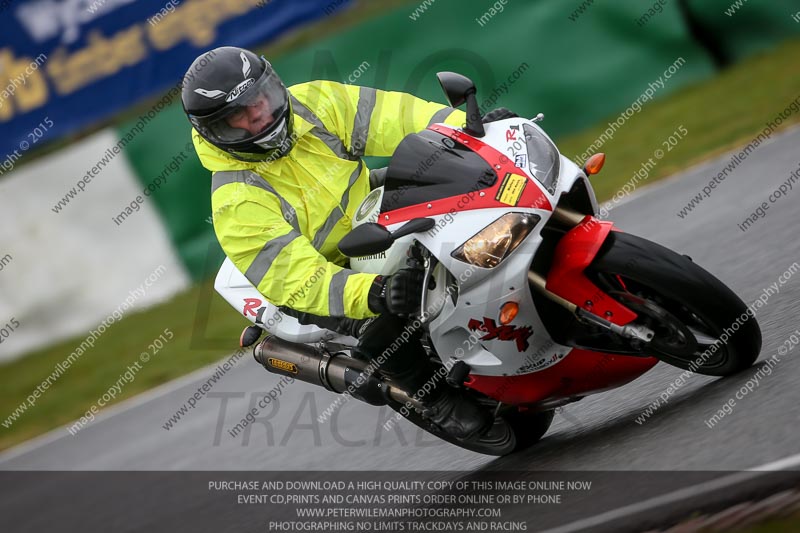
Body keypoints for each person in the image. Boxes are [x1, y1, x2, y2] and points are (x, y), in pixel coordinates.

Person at [181, 46, 492, 440]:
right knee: (381, 323)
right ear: (216, 131)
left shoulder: (315, 102)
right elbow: (297, 278)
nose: (258, 114)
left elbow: (396, 114)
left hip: (373, 212)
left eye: (259, 100)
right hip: (327, 274)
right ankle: (432, 397)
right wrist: (375, 292)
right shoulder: (235, 200)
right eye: (238, 116)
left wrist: (468, 129)